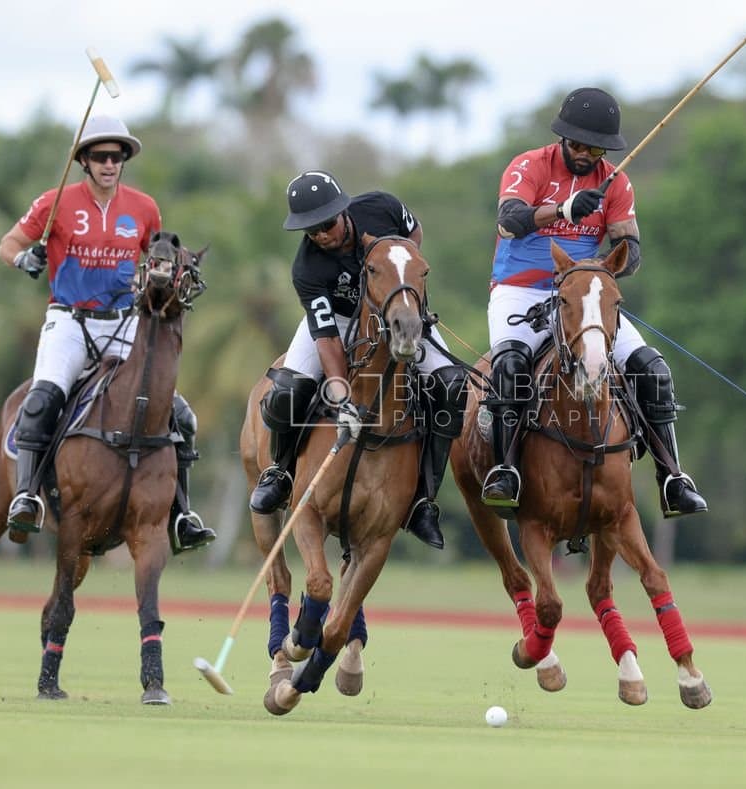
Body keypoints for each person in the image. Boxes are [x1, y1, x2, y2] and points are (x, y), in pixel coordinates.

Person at [481, 87, 707, 518]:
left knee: (652, 369)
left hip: (585, 294)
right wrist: (562, 209)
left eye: (595, 147)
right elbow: (509, 223)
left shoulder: (616, 182)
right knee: (510, 367)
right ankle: (506, 471)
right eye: (578, 144)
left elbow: (632, 250)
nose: (585, 154)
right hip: (521, 289)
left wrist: (605, 267)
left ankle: (672, 478)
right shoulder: (528, 166)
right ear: (563, 139)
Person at [0, 114, 215, 554]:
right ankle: (27, 497)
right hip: (69, 322)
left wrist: (166, 275)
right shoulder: (54, 202)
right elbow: (8, 244)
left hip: (123, 323)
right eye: (100, 156)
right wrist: (25, 261)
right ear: (83, 161)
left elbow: (158, 259)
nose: (109, 164)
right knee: (41, 402)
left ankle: (182, 514)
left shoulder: (144, 208)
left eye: (116, 156)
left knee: (179, 414)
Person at [248, 170, 468, 551]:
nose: (321, 235)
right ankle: (280, 472)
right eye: (311, 230)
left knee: (451, 384)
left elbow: (413, 242)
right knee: (286, 390)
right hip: (338, 318)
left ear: (343, 211)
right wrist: (340, 393)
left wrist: (406, 288)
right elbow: (327, 338)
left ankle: (422, 499)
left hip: (396, 307)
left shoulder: (383, 208)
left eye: (327, 224)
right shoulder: (309, 268)